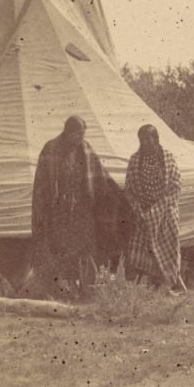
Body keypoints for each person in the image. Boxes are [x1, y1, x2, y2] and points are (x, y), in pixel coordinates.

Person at [29, 115, 126, 299]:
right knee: (60, 249)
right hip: (60, 211)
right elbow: (41, 183)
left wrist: (117, 194)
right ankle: (63, 289)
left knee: (86, 248)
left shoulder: (86, 149)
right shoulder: (51, 149)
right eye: (77, 134)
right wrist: (44, 209)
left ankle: (86, 288)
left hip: (83, 210)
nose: (80, 138)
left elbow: (100, 175)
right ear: (67, 131)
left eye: (82, 134)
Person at [124, 124, 186, 293]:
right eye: (143, 139)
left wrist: (158, 210)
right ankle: (150, 285)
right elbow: (129, 189)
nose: (147, 142)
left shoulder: (167, 158)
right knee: (141, 248)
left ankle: (166, 283)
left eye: (150, 138)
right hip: (142, 214)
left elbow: (175, 185)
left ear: (156, 139)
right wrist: (140, 210)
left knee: (167, 246)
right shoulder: (135, 160)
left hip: (165, 213)